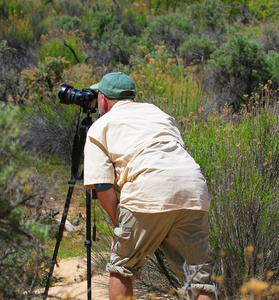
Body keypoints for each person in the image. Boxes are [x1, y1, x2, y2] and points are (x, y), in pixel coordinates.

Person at [84, 72, 216, 300]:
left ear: (103, 99)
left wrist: (121, 224)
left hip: (148, 189)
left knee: (122, 267)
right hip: (193, 188)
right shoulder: (159, 114)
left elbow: (103, 185)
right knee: (198, 277)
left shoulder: (100, 125)